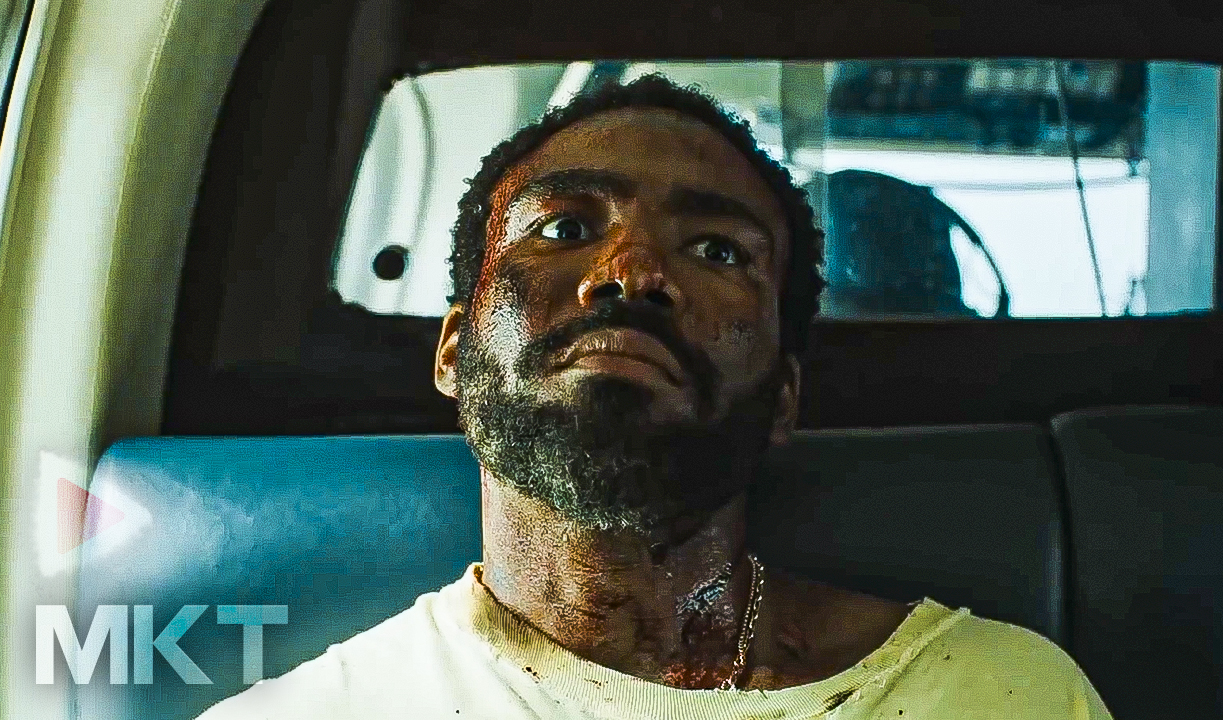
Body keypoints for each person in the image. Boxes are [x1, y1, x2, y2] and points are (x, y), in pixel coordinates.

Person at [197, 74, 1112, 719]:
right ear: (453, 349)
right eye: (564, 228)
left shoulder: (1003, 696)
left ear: (784, 395)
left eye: (717, 251)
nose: (631, 272)